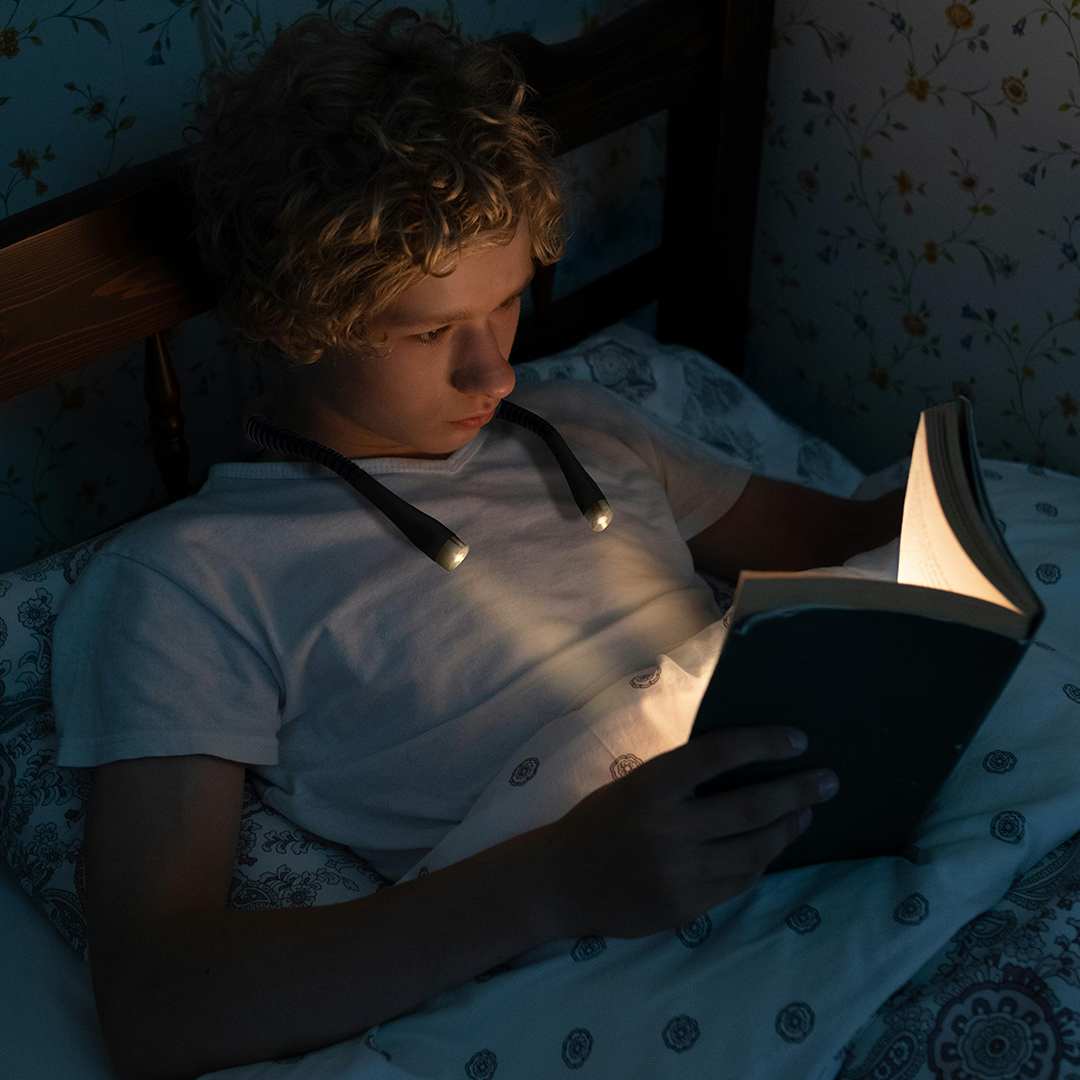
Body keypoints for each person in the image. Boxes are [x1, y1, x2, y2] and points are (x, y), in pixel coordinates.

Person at [51, 6, 905, 1079]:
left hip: (823, 850)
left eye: (504, 305)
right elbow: (158, 1003)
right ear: (290, 317)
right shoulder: (192, 577)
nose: (492, 372)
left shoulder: (581, 421)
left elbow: (857, 545)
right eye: (423, 331)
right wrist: (556, 881)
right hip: (629, 952)